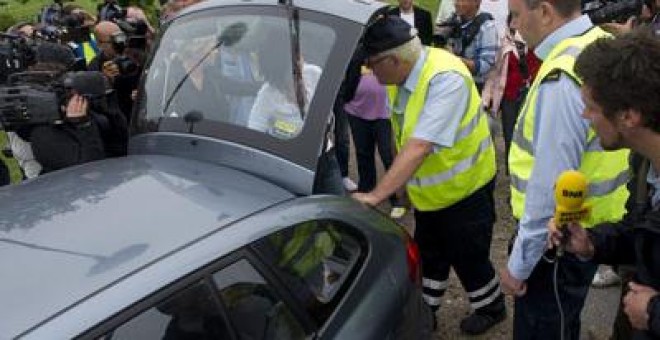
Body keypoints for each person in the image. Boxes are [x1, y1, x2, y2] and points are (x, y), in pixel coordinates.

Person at [352, 16, 505, 334]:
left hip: (465, 190)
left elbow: (420, 145)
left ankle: (492, 307)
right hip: (431, 194)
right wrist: (404, 184)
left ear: (392, 60)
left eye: (371, 64)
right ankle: (426, 309)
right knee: (430, 252)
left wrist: (377, 195)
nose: (369, 71)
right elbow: (403, 138)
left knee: (469, 256)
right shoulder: (401, 77)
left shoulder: (445, 78)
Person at [498, 0, 631, 338]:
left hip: (559, 242)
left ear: (544, 12)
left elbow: (548, 189)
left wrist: (518, 266)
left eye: (515, 14)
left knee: (547, 328)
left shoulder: (562, 76)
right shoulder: (599, 42)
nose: (513, 26)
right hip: (591, 229)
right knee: (565, 321)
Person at [548, 29, 660, 340]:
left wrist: (653, 312)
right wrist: (591, 243)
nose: (584, 116)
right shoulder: (644, 165)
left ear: (628, 116)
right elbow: (642, 232)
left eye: (592, 107)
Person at [482, 14, 540, 173]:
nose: (515, 23)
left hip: (528, 94)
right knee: (509, 135)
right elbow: (495, 73)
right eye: (512, 20)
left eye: (518, 19)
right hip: (509, 96)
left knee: (528, 134)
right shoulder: (504, 45)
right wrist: (488, 98)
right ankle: (511, 171)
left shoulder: (533, 42)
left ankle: (528, 168)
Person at [344, 66, 406, 219]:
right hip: (356, 108)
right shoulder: (356, 50)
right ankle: (366, 190)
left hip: (385, 110)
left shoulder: (383, 46)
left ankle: (398, 198)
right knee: (363, 152)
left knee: (388, 155)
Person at [445, 0, 500, 91]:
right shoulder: (454, 19)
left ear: (477, 2)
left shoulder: (487, 27)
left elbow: (485, 65)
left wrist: (454, 59)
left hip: (472, 86)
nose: (457, 4)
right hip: (450, 80)